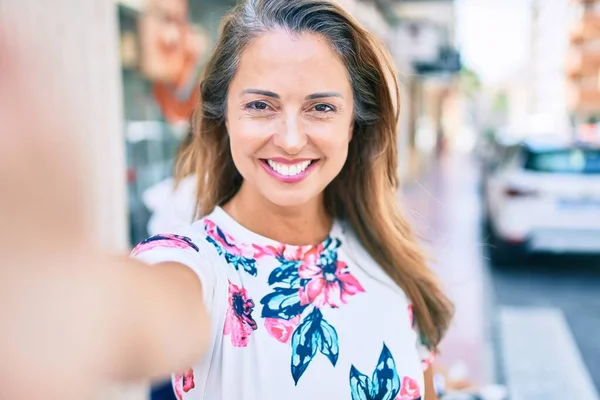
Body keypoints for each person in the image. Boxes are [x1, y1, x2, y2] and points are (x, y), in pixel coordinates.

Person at [132, 0, 453, 399]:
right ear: (225, 116)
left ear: (353, 123)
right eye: (260, 106)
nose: (290, 139)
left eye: (320, 107)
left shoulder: (392, 263)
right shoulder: (194, 266)